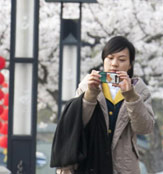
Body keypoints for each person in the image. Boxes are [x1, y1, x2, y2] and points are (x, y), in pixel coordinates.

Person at [50, 35, 155, 174]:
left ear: (130, 64)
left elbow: (144, 128)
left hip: (124, 166)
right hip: (91, 163)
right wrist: (91, 94)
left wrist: (130, 95)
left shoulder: (139, 90)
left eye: (122, 59)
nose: (114, 64)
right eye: (110, 58)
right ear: (103, 60)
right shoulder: (88, 84)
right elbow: (77, 122)